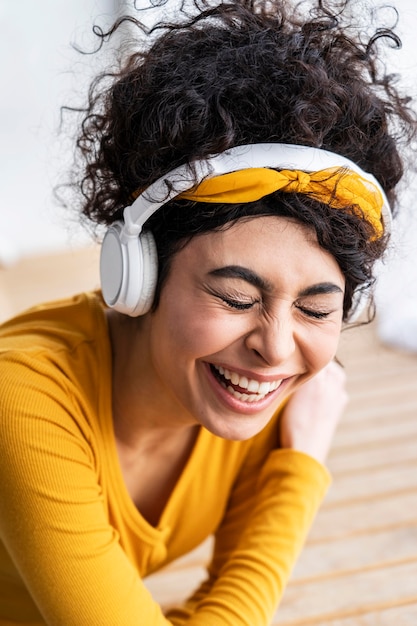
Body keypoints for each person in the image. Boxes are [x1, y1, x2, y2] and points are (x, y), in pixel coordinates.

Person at [0, 1, 415, 624]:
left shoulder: (257, 391)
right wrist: (298, 474)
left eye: (316, 307)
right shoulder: (20, 401)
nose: (276, 349)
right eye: (236, 298)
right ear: (136, 275)